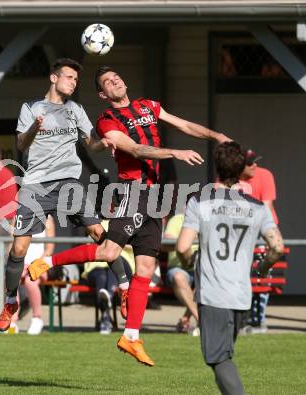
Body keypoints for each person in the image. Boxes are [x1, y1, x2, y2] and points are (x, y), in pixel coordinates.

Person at [28, 65, 231, 366]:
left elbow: (184, 125)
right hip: (132, 192)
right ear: (103, 94)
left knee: (146, 268)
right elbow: (136, 149)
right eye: (107, 82)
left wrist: (217, 136)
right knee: (109, 249)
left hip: (156, 197)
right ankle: (46, 262)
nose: (115, 81)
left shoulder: (148, 105)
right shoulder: (107, 120)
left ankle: (131, 337)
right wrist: (174, 153)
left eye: (117, 77)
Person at [0, 58, 129, 332]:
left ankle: (124, 287)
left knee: (97, 232)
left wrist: (103, 143)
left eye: (76, 79)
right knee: (19, 248)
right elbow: (20, 143)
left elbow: (90, 142)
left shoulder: (75, 110)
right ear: (54, 78)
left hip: (69, 182)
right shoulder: (31, 108)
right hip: (36, 185)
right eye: (69, 77)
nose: (73, 82)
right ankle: (10, 300)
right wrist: (35, 126)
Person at [176, 142, 284, 395]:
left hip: (214, 296)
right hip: (242, 297)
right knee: (223, 356)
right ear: (241, 170)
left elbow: (182, 247)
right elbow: (277, 247)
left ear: (217, 168)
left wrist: (189, 263)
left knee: (218, 359)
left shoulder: (199, 203)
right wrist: (263, 267)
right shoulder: (257, 207)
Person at [240, 149, 279, 332]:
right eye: (250, 163)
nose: (255, 165)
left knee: (262, 276)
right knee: (242, 274)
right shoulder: (229, 178)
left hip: (263, 230)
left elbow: (267, 207)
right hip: (240, 232)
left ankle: (259, 319)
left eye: (256, 161)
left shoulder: (265, 175)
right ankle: (243, 316)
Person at [9, 215, 55, 335]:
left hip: (40, 264)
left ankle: (37, 318)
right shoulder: (18, 217)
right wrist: (16, 264)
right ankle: (12, 320)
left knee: (30, 281)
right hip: (21, 263)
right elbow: (12, 245)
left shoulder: (48, 219)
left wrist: (34, 266)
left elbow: (49, 249)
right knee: (11, 280)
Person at [163, 211, 199, 334]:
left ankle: (185, 319)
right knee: (179, 277)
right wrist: (186, 238)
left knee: (206, 278)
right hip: (178, 268)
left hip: (200, 268)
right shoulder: (178, 219)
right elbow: (166, 240)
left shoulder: (208, 218)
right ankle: (201, 320)